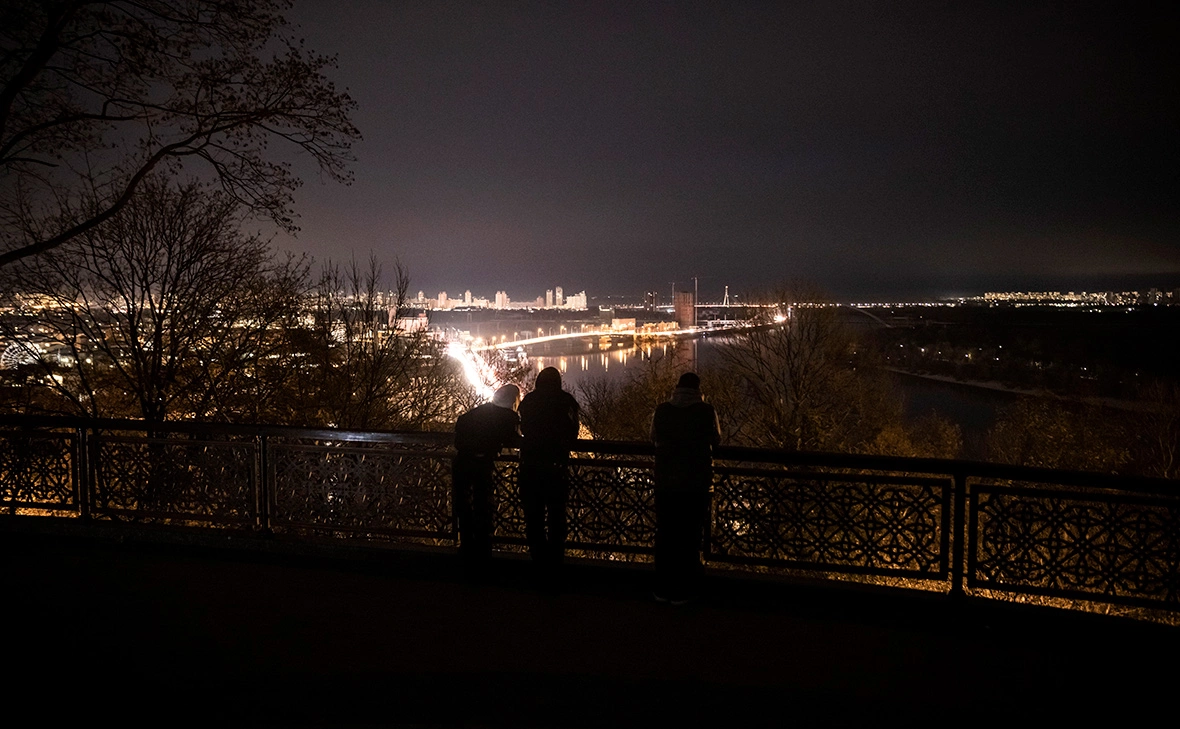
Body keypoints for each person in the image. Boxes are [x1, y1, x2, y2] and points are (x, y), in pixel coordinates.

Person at [650, 372, 721, 604]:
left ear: (677, 388)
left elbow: (653, 438)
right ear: (698, 390)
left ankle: (662, 588)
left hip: (666, 482)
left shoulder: (662, 410)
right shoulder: (706, 411)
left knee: (665, 535)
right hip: (695, 483)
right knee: (690, 537)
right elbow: (716, 439)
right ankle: (685, 590)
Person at [518, 366, 580, 581]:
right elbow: (573, 433)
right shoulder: (566, 402)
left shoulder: (528, 401)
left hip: (529, 466)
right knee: (556, 518)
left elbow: (524, 428)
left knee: (533, 519)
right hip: (555, 468)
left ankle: (538, 565)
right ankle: (555, 567)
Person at [452, 384, 521, 576]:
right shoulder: (508, 417)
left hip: (462, 462)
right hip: (481, 465)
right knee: (483, 506)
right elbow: (514, 442)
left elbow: (460, 430)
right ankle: (482, 555)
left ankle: (465, 548)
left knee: (464, 507)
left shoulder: (479, 411)